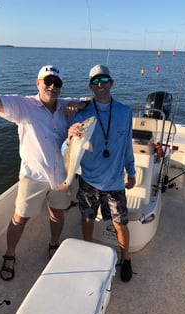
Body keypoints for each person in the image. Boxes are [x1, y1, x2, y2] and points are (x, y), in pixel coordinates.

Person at [0, 45, 85, 281]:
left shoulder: (66, 105)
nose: (52, 86)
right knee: (20, 218)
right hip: (33, 176)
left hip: (61, 177)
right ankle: (10, 254)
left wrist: (79, 105)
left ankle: (54, 244)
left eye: (57, 83)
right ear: (38, 83)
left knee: (57, 213)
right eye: (47, 81)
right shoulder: (22, 105)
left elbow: (89, 102)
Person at [66, 64, 136, 282]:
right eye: (95, 82)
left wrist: (130, 170)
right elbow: (69, 145)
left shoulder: (125, 112)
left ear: (111, 83)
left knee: (120, 223)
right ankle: (87, 251)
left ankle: (126, 258)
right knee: (87, 217)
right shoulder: (81, 112)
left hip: (115, 181)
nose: (100, 85)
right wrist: (71, 132)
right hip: (88, 179)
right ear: (90, 86)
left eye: (104, 81)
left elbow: (127, 145)